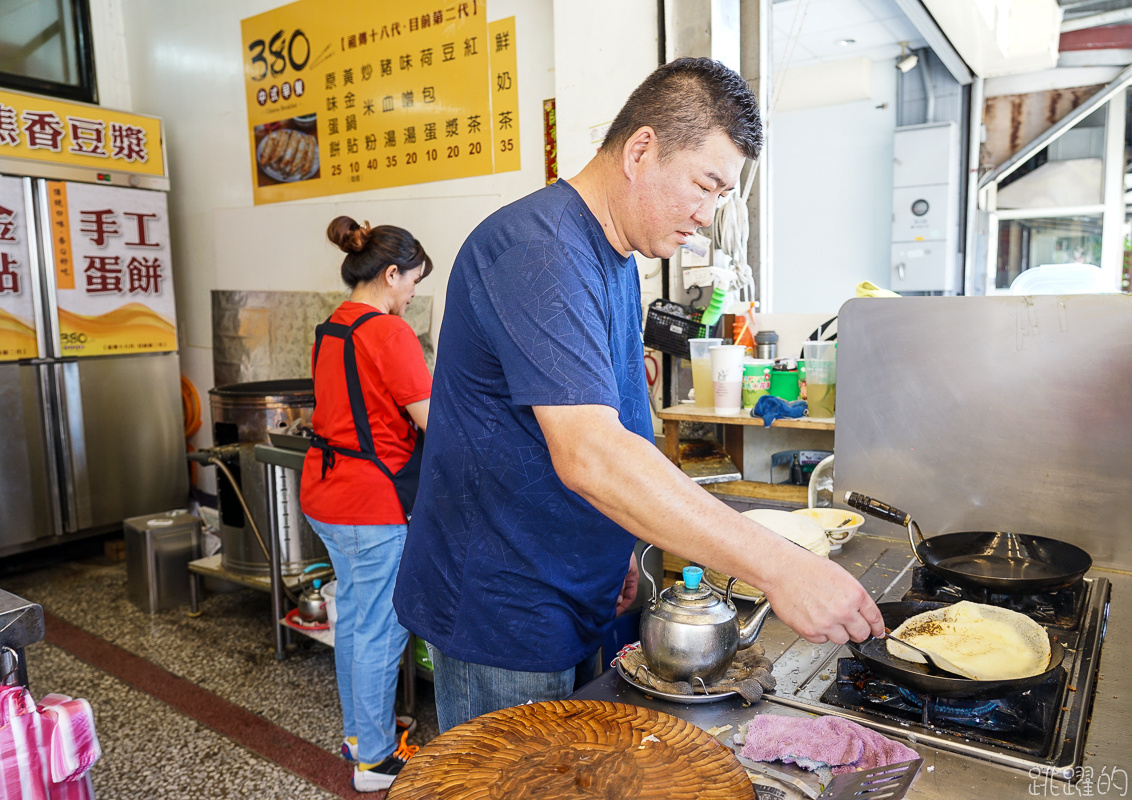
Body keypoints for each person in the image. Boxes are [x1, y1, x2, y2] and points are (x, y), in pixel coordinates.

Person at [393, 57, 885, 733]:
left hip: (575, 583)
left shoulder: (617, 255)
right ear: (642, 150)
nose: (707, 217)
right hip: (502, 603)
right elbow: (590, 455)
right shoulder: (536, 250)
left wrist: (623, 540)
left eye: (722, 197)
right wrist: (782, 569)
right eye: (705, 186)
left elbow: (615, 421)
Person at [300, 216, 432, 792]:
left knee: (355, 617)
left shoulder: (331, 327)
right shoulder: (389, 332)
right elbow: (432, 422)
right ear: (391, 273)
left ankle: (362, 731)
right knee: (381, 625)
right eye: (411, 284)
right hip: (370, 502)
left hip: (325, 492)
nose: (410, 296)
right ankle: (375, 761)